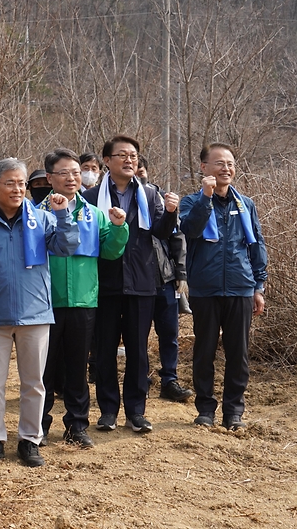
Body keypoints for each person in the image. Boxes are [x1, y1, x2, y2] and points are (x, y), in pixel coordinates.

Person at [0, 158, 79, 469]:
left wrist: (63, 214)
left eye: (21, 183)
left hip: (35, 312)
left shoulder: (40, 219)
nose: (17, 189)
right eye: (10, 183)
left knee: (34, 383)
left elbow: (67, 246)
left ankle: (30, 440)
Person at [82, 136, 178, 434]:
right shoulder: (91, 196)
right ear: (107, 161)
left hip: (141, 282)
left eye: (133, 156)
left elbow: (161, 232)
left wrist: (172, 212)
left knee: (138, 351)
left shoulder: (150, 194)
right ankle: (108, 411)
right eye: (121, 155)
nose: (129, 160)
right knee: (105, 349)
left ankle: (136, 411)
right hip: (105, 282)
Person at [39, 149, 128, 449]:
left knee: (78, 369)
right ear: (50, 178)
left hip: (83, 300)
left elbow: (112, 251)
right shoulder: (36, 213)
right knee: (44, 369)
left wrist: (118, 228)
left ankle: (77, 426)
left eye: (76, 172)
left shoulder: (94, 213)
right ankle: (38, 425)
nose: (72, 178)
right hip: (44, 303)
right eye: (64, 173)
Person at [179, 143, 267, 430]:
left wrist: (259, 286)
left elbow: (257, 245)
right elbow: (190, 229)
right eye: (218, 163)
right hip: (206, 288)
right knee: (204, 351)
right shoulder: (192, 202)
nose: (225, 168)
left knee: (237, 353)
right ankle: (205, 409)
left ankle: (234, 412)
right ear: (204, 168)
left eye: (229, 163)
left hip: (241, 287)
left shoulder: (246, 205)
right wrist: (206, 196)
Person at [141, 160, 194, 403]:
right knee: (137, 335)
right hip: (136, 280)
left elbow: (177, 238)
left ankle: (169, 380)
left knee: (169, 334)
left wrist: (180, 274)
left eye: (141, 171)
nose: (138, 176)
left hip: (164, 277)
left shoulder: (160, 199)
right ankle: (140, 378)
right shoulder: (111, 200)